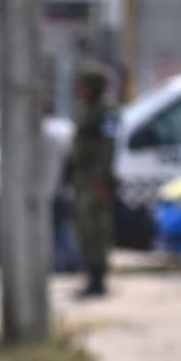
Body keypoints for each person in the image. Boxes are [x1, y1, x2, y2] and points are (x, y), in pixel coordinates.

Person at [66, 63, 118, 297]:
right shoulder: (86, 109)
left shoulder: (104, 111)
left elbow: (108, 146)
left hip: (96, 178)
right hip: (83, 177)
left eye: (85, 86)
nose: (80, 90)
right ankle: (90, 275)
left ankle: (98, 278)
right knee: (84, 227)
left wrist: (102, 178)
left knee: (96, 227)